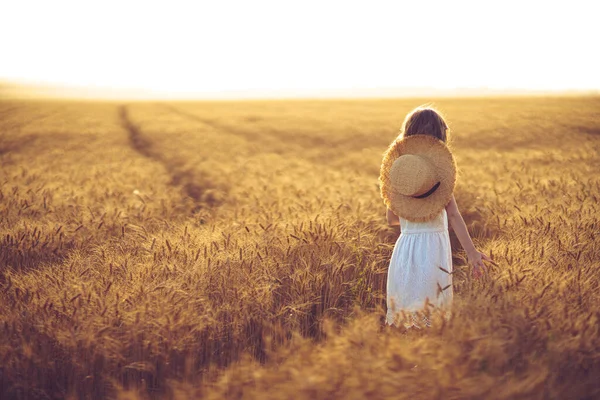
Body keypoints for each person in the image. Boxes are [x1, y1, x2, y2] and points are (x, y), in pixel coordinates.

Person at [379, 106, 491, 328]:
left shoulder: (402, 177)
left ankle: (409, 360)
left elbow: (391, 219)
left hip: (405, 250)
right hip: (432, 250)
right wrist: (471, 252)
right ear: (440, 137)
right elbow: (455, 216)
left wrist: (413, 211)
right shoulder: (436, 179)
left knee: (406, 314)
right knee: (433, 316)